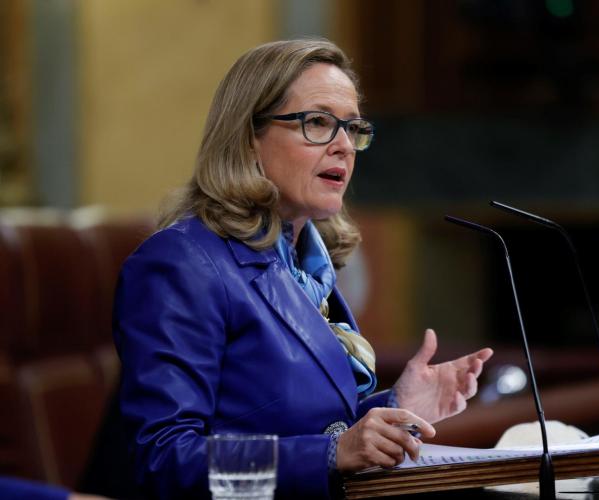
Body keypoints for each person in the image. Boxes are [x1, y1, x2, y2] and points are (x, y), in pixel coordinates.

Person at [113, 38, 493, 499]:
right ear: (248, 137)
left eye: (353, 128)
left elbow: (306, 426)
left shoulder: (308, 267)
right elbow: (164, 460)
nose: (344, 146)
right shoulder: (182, 264)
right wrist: (331, 454)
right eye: (317, 123)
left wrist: (398, 405)